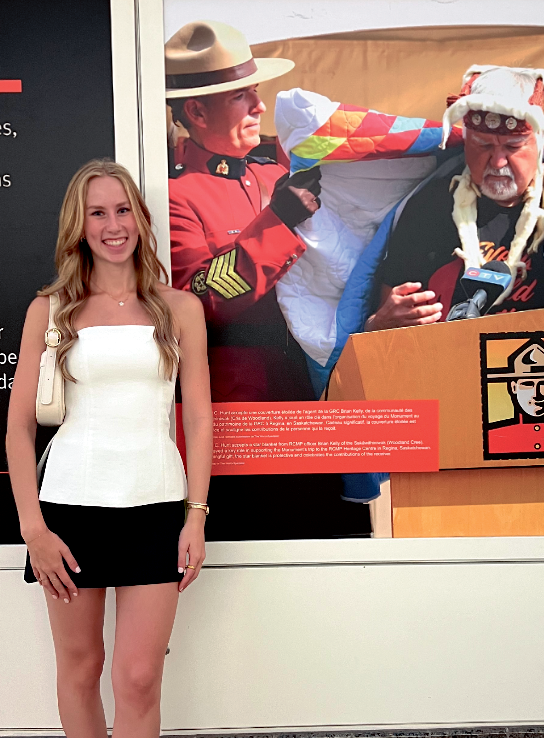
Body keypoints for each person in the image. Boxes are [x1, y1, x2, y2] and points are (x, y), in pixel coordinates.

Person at [6, 159, 213, 738]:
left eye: (122, 210)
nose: (112, 225)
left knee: (136, 681)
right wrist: (32, 525)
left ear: (140, 219)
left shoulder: (178, 308)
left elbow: (198, 420)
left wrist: (195, 515)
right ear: (79, 225)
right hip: (70, 512)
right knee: (82, 670)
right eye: (97, 213)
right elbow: (20, 426)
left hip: (156, 507)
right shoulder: (51, 309)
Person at [165, 19, 371, 539]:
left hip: (318, 403)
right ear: (195, 110)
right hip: (243, 420)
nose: (260, 107)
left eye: (257, 93)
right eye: (244, 97)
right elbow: (200, 300)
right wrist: (276, 224)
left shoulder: (279, 171)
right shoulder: (172, 196)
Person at [367, 65, 544, 332]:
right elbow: (386, 326)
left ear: (543, 136)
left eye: (513, 146)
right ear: (466, 139)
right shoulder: (430, 208)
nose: (498, 160)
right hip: (449, 364)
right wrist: (378, 323)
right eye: (484, 145)